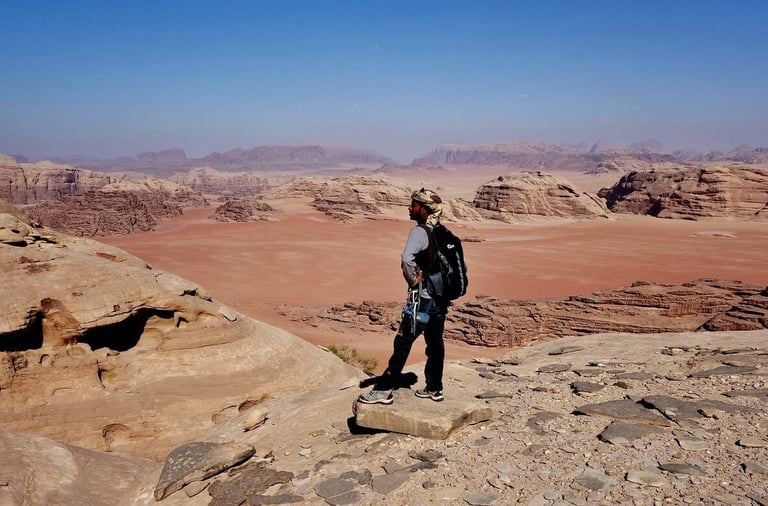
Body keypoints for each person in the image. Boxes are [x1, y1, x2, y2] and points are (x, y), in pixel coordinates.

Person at [358, 188, 447, 405]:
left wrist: (413, 281)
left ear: (424, 210)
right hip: (439, 299)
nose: (410, 208)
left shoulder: (419, 232)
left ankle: (382, 391)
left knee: (403, 340)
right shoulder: (442, 232)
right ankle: (435, 388)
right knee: (435, 343)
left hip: (423, 300)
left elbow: (407, 259)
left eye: (414, 205)